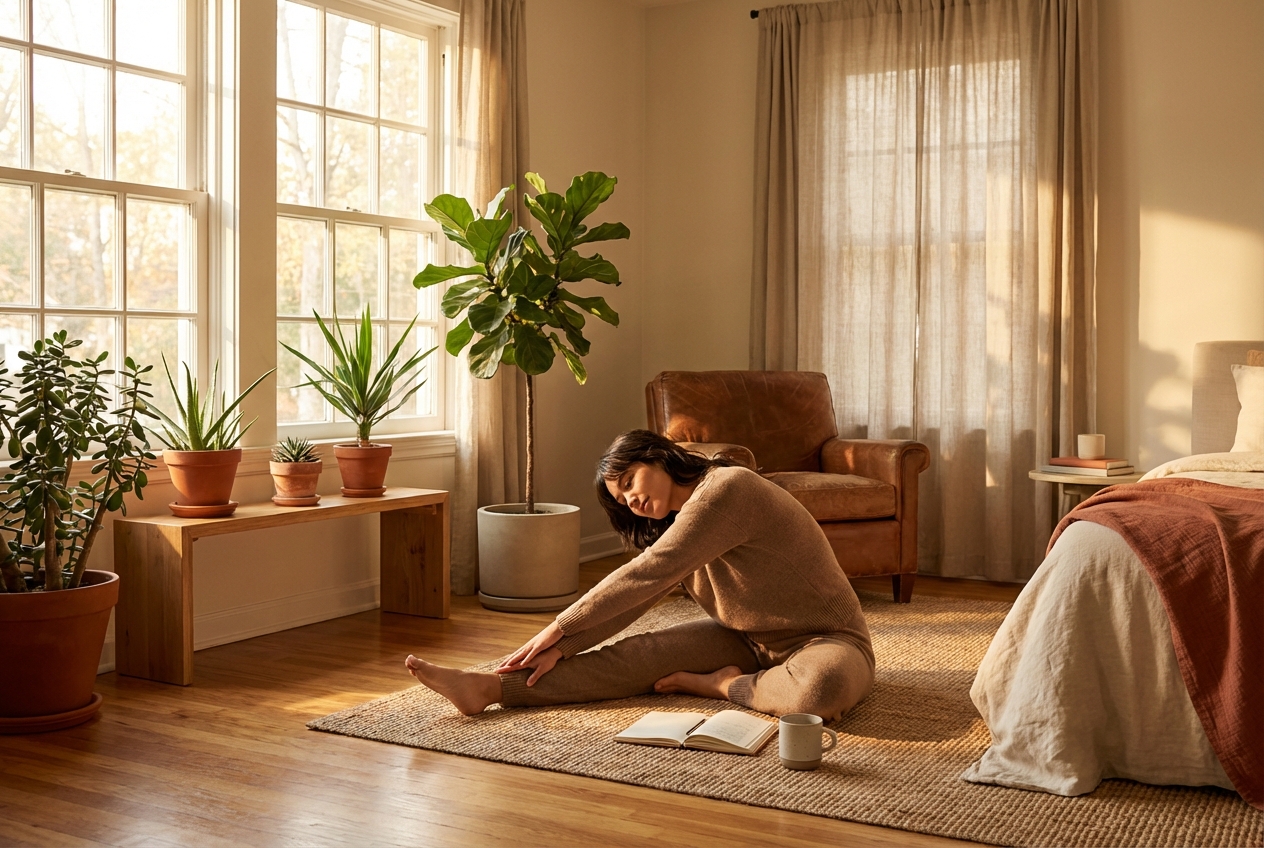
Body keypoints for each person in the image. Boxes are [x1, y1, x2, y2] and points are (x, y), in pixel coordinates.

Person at [405, 429, 875, 720]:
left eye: (629, 481)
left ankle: (719, 685)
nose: (629, 500)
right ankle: (487, 688)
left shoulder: (727, 488)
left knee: (818, 692)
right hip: (747, 640)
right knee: (636, 656)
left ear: (659, 456)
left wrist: (559, 625)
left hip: (826, 641)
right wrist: (564, 647)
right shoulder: (676, 524)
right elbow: (638, 597)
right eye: (620, 497)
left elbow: (645, 574)